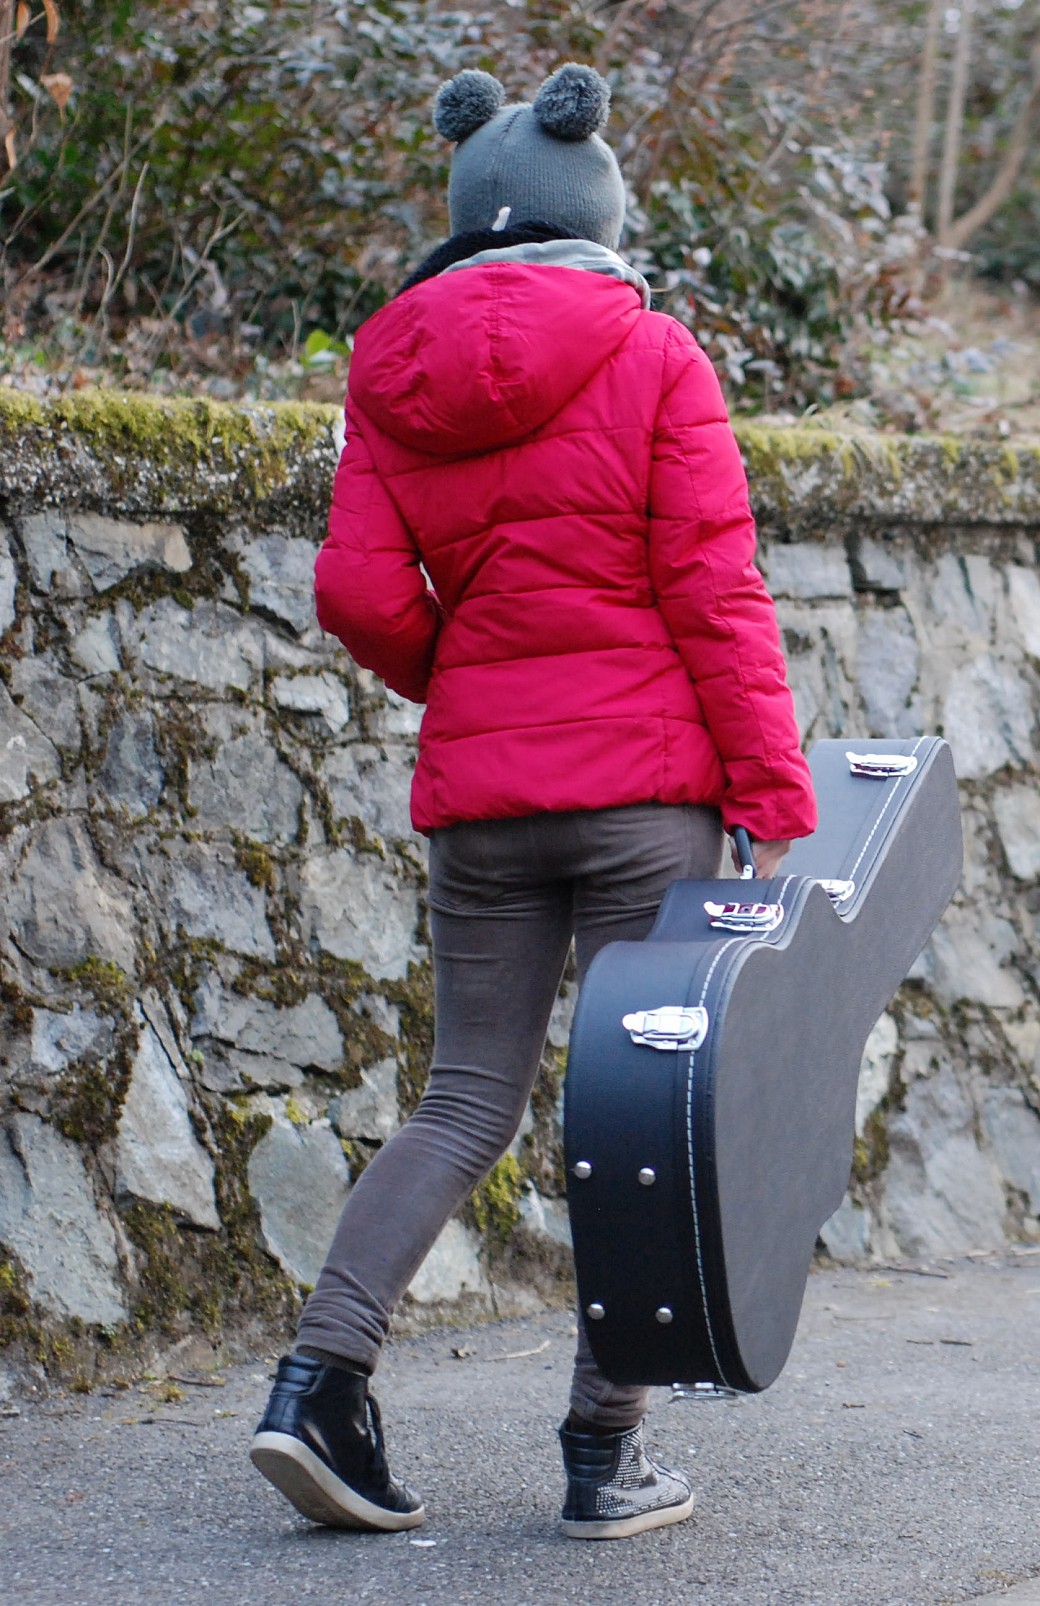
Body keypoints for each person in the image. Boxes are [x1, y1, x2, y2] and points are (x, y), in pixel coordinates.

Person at [247, 62, 815, 1541]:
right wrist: (771, 785)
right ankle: (598, 1451)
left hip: (484, 806)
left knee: (464, 1101)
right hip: (648, 798)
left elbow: (359, 591)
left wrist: (477, 686)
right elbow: (714, 586)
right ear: (593, 209)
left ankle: (317, 1381)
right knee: (641, 1116)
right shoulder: (652, 355)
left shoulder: (388, 365)